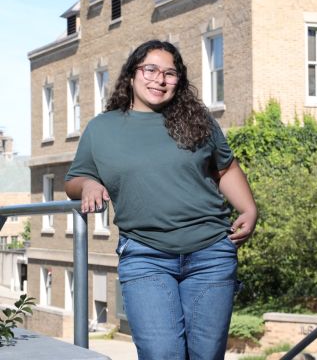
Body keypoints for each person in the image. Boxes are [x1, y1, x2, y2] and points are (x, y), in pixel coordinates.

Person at [65, 40, 258, 360]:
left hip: (211, 255)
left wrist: (249, 209)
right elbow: (74, 180)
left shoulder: (198, 120)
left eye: (170, 73)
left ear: (178, 81)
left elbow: (226, 168)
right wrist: (88, 185)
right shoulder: (102, 128)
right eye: (150, 70)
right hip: (145, 255)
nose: (160, 79)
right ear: (131, 75)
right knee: (162, 354)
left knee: (206, 356)